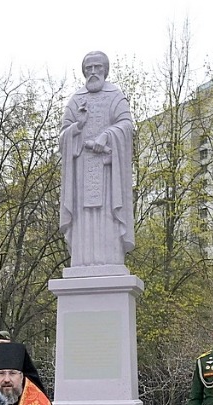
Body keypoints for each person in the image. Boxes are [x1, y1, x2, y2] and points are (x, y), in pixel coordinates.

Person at [58, 50, 135, 269]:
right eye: (88, 68)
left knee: (107, 219)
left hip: (108, 176)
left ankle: (110, 258)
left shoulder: (115, 97)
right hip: (82, 177)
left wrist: (107, 135)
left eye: (97, 67)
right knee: (84, 224)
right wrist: (78, 126)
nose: (92, 72)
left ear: (105, 70)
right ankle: (83, 260)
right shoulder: (76, 100)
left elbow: (127, 126)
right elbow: (63, 137)